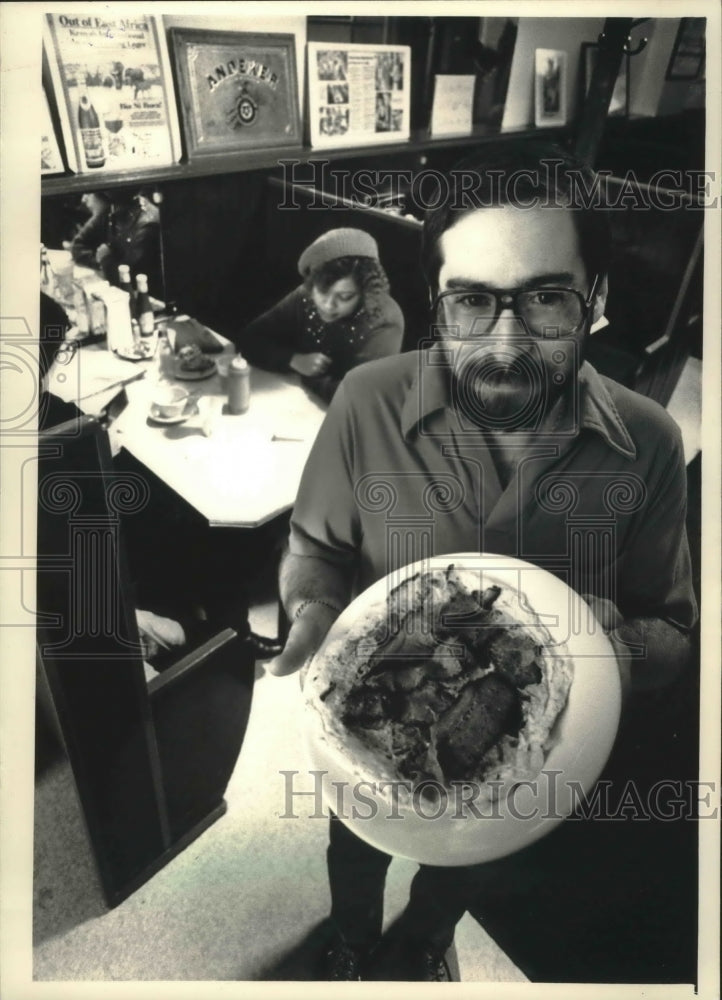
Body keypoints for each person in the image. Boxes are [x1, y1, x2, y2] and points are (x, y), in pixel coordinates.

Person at [266, 141, 698, 982]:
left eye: (547, 298)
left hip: (527, 773)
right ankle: (351, 936)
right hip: (378, 723)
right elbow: (314, 549)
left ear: (597, 300)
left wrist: (609, 644)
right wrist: (313, 609)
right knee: (354, 847)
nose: (506, 344)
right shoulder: (365, 402)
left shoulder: (649, 441)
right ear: (436, 301)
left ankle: (424, 943)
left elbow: (674, 634)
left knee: (469, 871)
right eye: (471, 300)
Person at [238, 229, 404, 404]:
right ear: (312, 283)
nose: (328, 305)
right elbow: (249, 339)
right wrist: (293, 360)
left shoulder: (385, 321)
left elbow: (360, 398)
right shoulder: (305, 295)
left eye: (344, 297)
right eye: (322, 291)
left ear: (365, 292)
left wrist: (310, 378)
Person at [66, 188, 161, 291]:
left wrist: (106, 260)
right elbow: (77, 245)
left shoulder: (147, 224)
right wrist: (100, 261)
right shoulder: (112, 208)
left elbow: (127, 281)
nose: (84, 199)